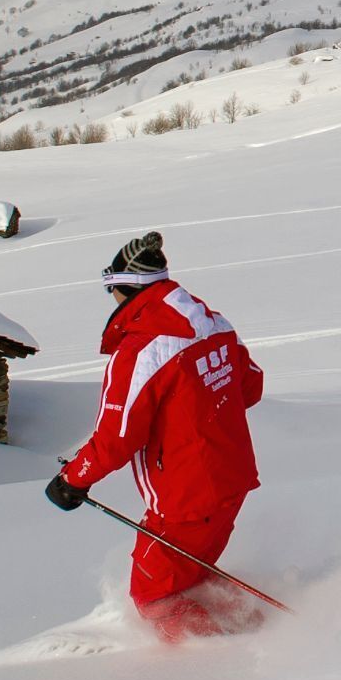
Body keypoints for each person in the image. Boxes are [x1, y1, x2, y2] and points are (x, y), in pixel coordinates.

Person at [44, 231, 267, 641]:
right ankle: (253, 624)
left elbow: (117, 438)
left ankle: (220, 661)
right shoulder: (213, 324)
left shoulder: (142, 352)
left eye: (110, 289)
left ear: (125, 288)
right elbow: (250, 386)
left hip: (184, 497)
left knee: (154, 596)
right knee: (190, 574)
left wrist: (71, 481)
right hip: (232, 479)